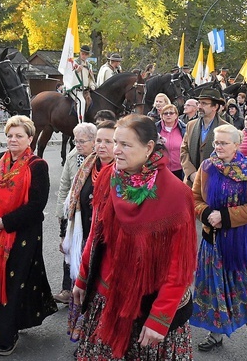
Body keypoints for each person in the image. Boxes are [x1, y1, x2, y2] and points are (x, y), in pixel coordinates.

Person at [72, 114, 197, 360]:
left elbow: (179, 266)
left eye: (125, 145)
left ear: (149, 147)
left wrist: (160, 318)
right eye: (115, 142)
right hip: (108, 298)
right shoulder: (109, 177)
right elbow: (96, 236)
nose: (115, 150)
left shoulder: (176, 194)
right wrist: (83, 277)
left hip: (149, 306)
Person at [0, 115, 57, 356]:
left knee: (12, 283)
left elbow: (36, 205)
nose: (13, 139)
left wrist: (5, 222)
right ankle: (8, 325)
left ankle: (5, 335)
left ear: (30, 138)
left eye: (19, 135)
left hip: (23, 235)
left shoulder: (37, 166)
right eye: (10, 135)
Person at [190, 124, 247, 351]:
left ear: (237, 145)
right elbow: (194, 198)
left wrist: (223, 216)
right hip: (211, 239)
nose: (218, 147)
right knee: (212, 287)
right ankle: (215, 334)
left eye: (224, 143)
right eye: (216, 142)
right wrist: (205, 213)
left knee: (237, 283)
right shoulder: (207, 167)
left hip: (238, 241)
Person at [63, 121, 116, 343]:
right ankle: (84, 337)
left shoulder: (121, 171)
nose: (102, 146)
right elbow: (73, 201)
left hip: (107, 243)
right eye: (99, 141)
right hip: (84, 236)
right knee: (83, 290)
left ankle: (99, 339)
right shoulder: (87, 166)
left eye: (108, 141)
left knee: (101, 294)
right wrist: (65, 234)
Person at [54, 123, 97, 304]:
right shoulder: (72, 157)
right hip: (73, 212)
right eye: (75, 140)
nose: (77, 144)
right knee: (69, 249)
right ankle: (67, 288)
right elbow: (64, 186)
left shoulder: (100, 161)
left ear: (94, 142)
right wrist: (61, 215)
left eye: (82, 141)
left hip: (91, 215)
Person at [180, 88, 229, 186]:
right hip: (191, 183)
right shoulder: (191, 125)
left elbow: (229, 155)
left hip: (215, 182)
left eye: (204, 104)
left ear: (215, 107)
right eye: (199, 103)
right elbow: (184, 150)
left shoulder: (226, 128)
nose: (199, 107)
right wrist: (191, 173)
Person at [156, 103, 187, 179]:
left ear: (176, 115)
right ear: (162, 116)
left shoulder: (184, 129)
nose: (168, 115)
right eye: (165, 113)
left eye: (171, 113)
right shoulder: (155, 128)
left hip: (180, 170)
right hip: (161, 169)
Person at [69, 45, 96, 123]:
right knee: (81, 102)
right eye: (82, 54)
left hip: (85, 89)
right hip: (75, 89)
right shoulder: (73, 63)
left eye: (86, 54)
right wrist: (76, 71)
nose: (84, 56)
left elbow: (90, 78)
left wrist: (92, 85)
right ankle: (81, 124)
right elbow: (68, 76)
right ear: (80, 53)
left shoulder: (89, 65)